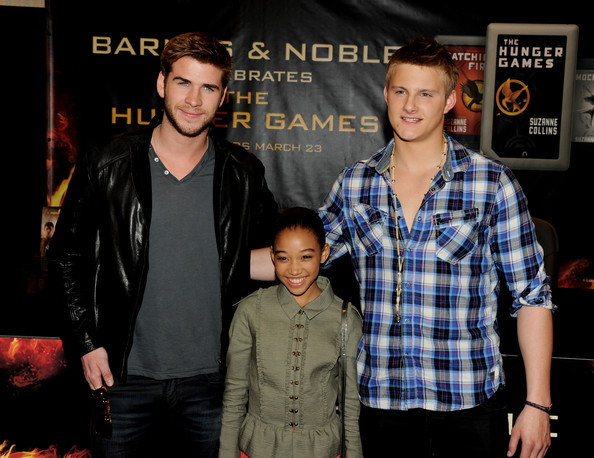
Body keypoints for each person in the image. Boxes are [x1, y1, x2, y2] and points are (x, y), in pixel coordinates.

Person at [315, 37, 555, 457]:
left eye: (426, 94)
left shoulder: (490, 183)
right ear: (385, 94)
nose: (410, 105)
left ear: (448, 101)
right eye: (401, 91)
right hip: (382, 404)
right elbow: (297, 257)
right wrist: (216, 262)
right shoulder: (355, 184)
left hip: (468, 404)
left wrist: (537, 403)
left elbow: (532, 297)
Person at [50, 31, 278, 457]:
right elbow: (65, 258)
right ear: (161, 84)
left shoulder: (244, 174)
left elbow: (261, 264)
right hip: (122, 380)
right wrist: (85, 343)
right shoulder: (106, 163)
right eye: (183, 83)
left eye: (208, 87)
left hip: (212, 386)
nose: (194, 99)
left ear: (223, 95)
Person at [220, 207, 363, 458]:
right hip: (256, 450)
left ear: (324, 253)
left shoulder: (345, 318)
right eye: (284, 258)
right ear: (272, 257)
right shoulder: (250, 310)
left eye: (305, 257)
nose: (294, 269)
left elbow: (350, 407)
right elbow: (234, 396)